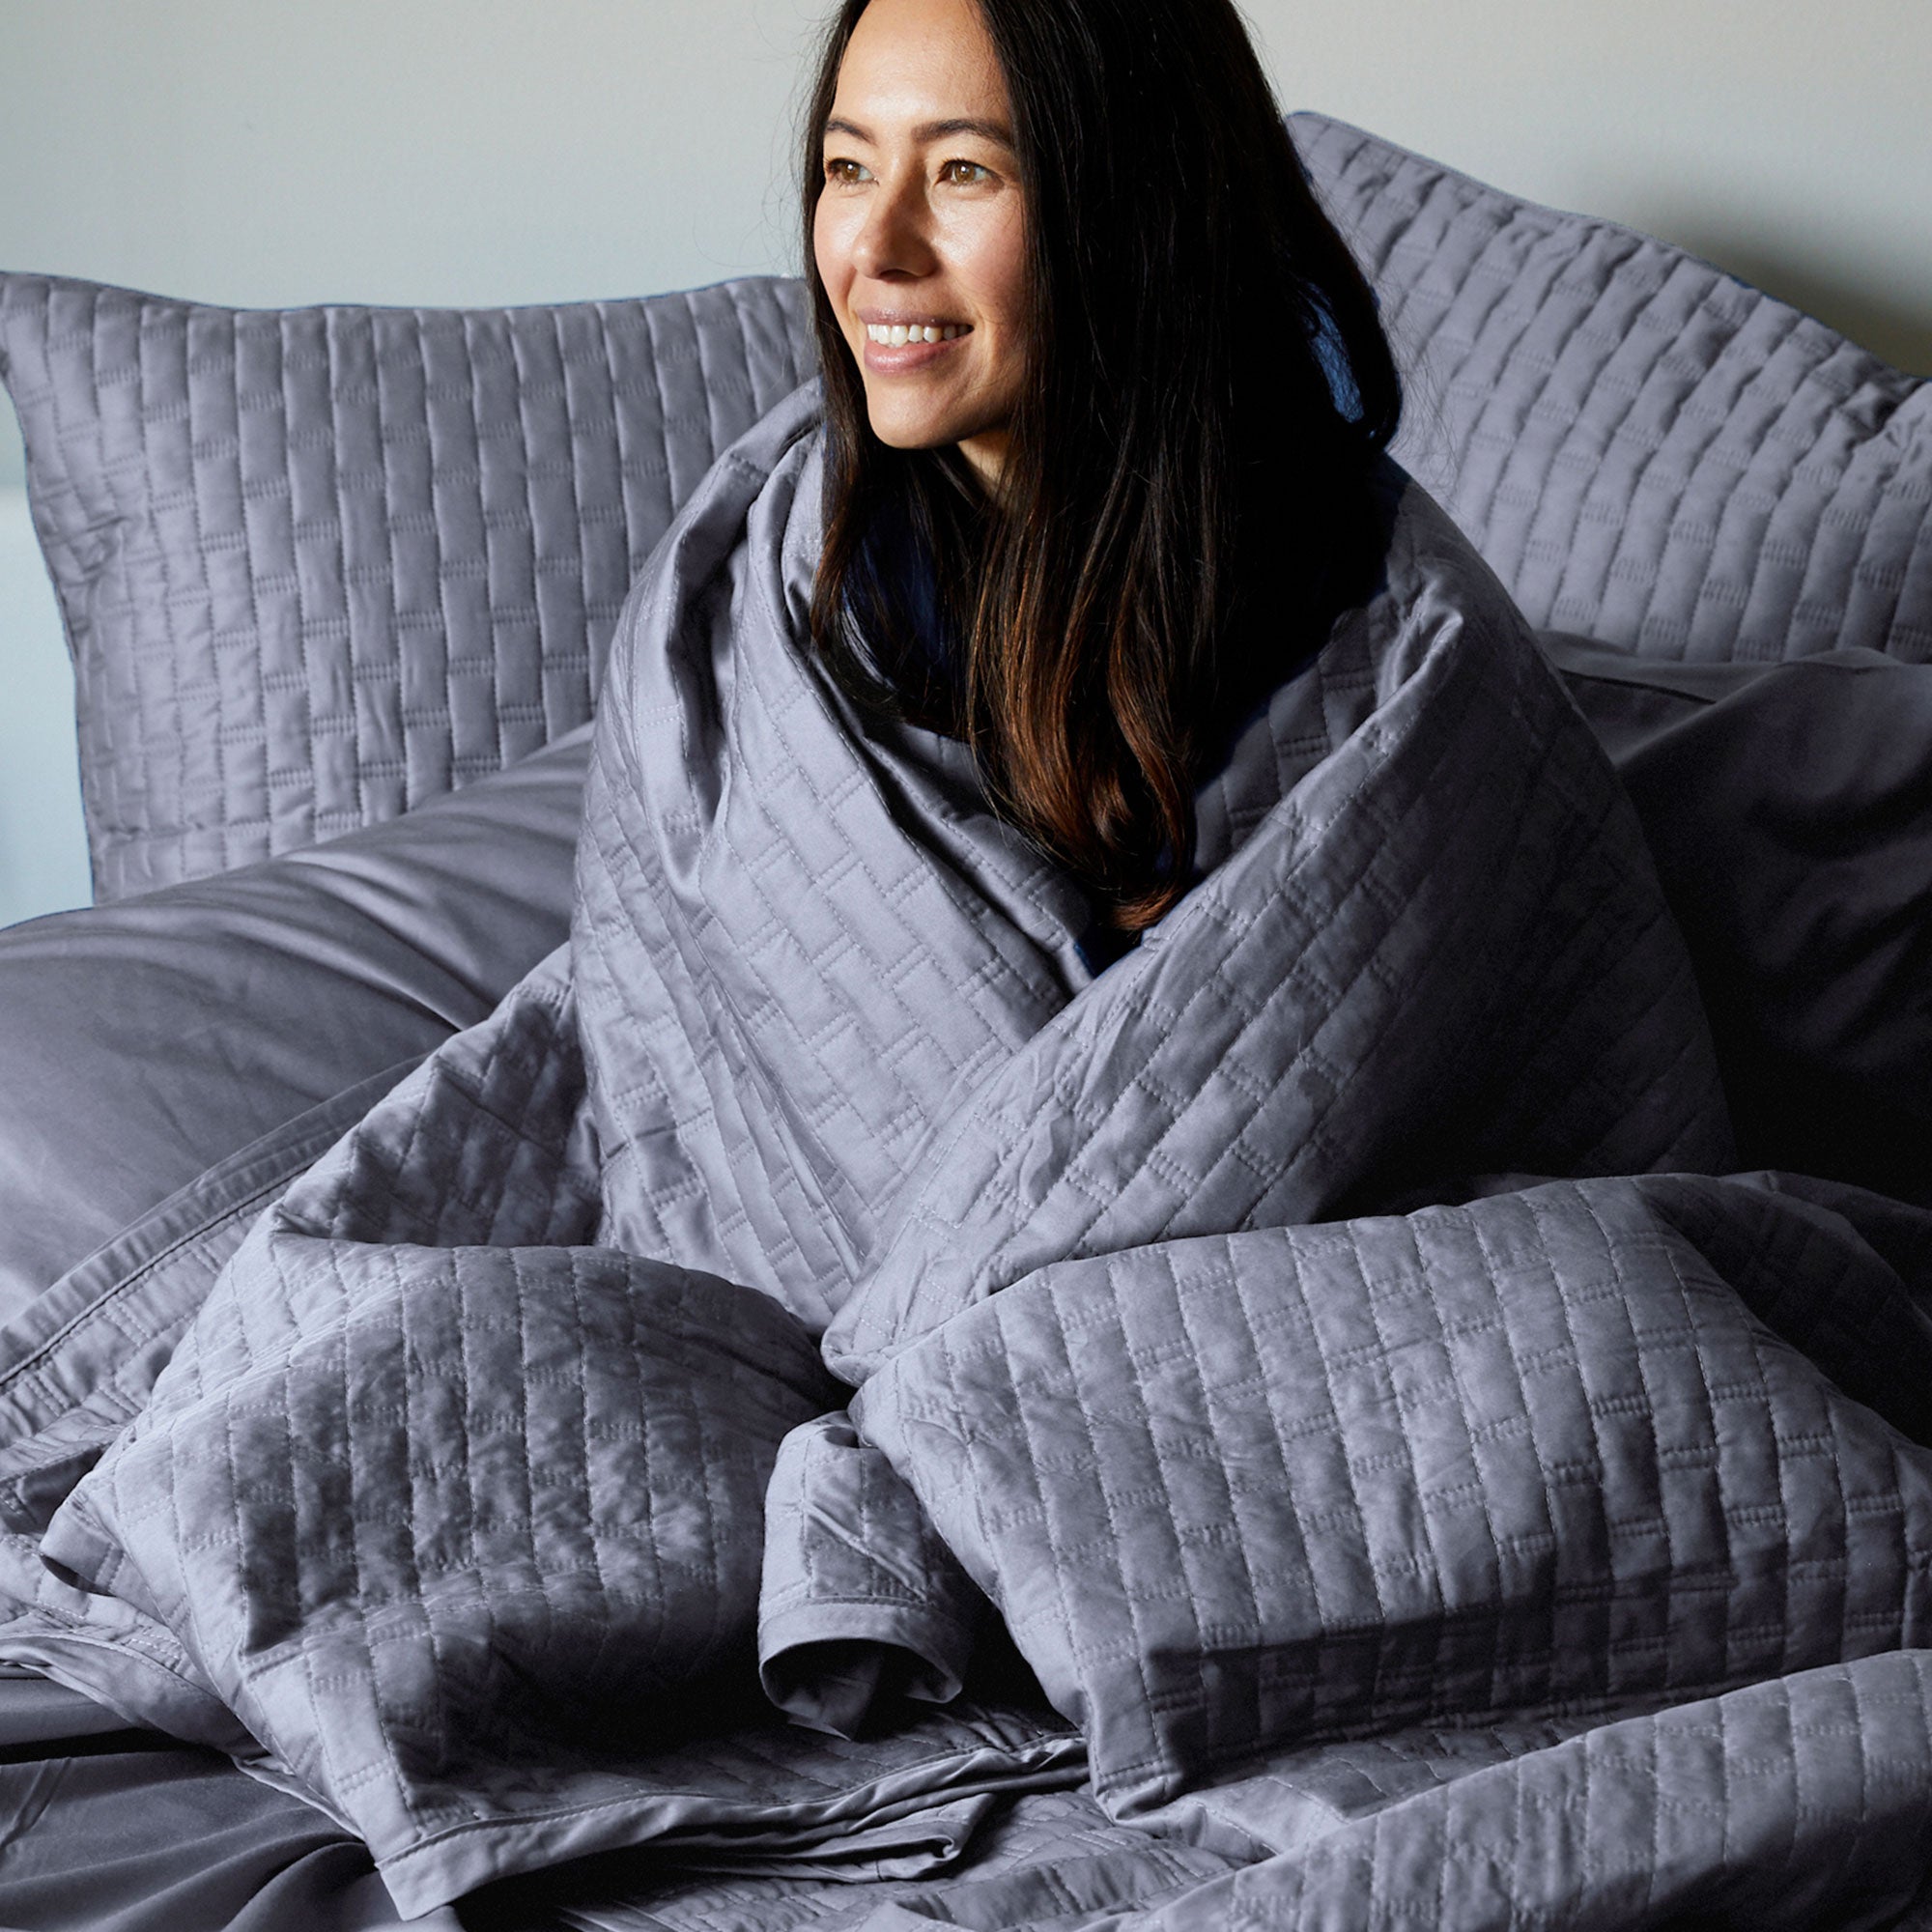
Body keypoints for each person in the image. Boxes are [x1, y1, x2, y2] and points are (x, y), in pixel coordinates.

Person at [798, 0, 1404, 947]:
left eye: (962, 170)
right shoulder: (796, 561)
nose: (874, 247)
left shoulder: (1338, 611)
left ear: (1134, 208)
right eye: (848, 167)